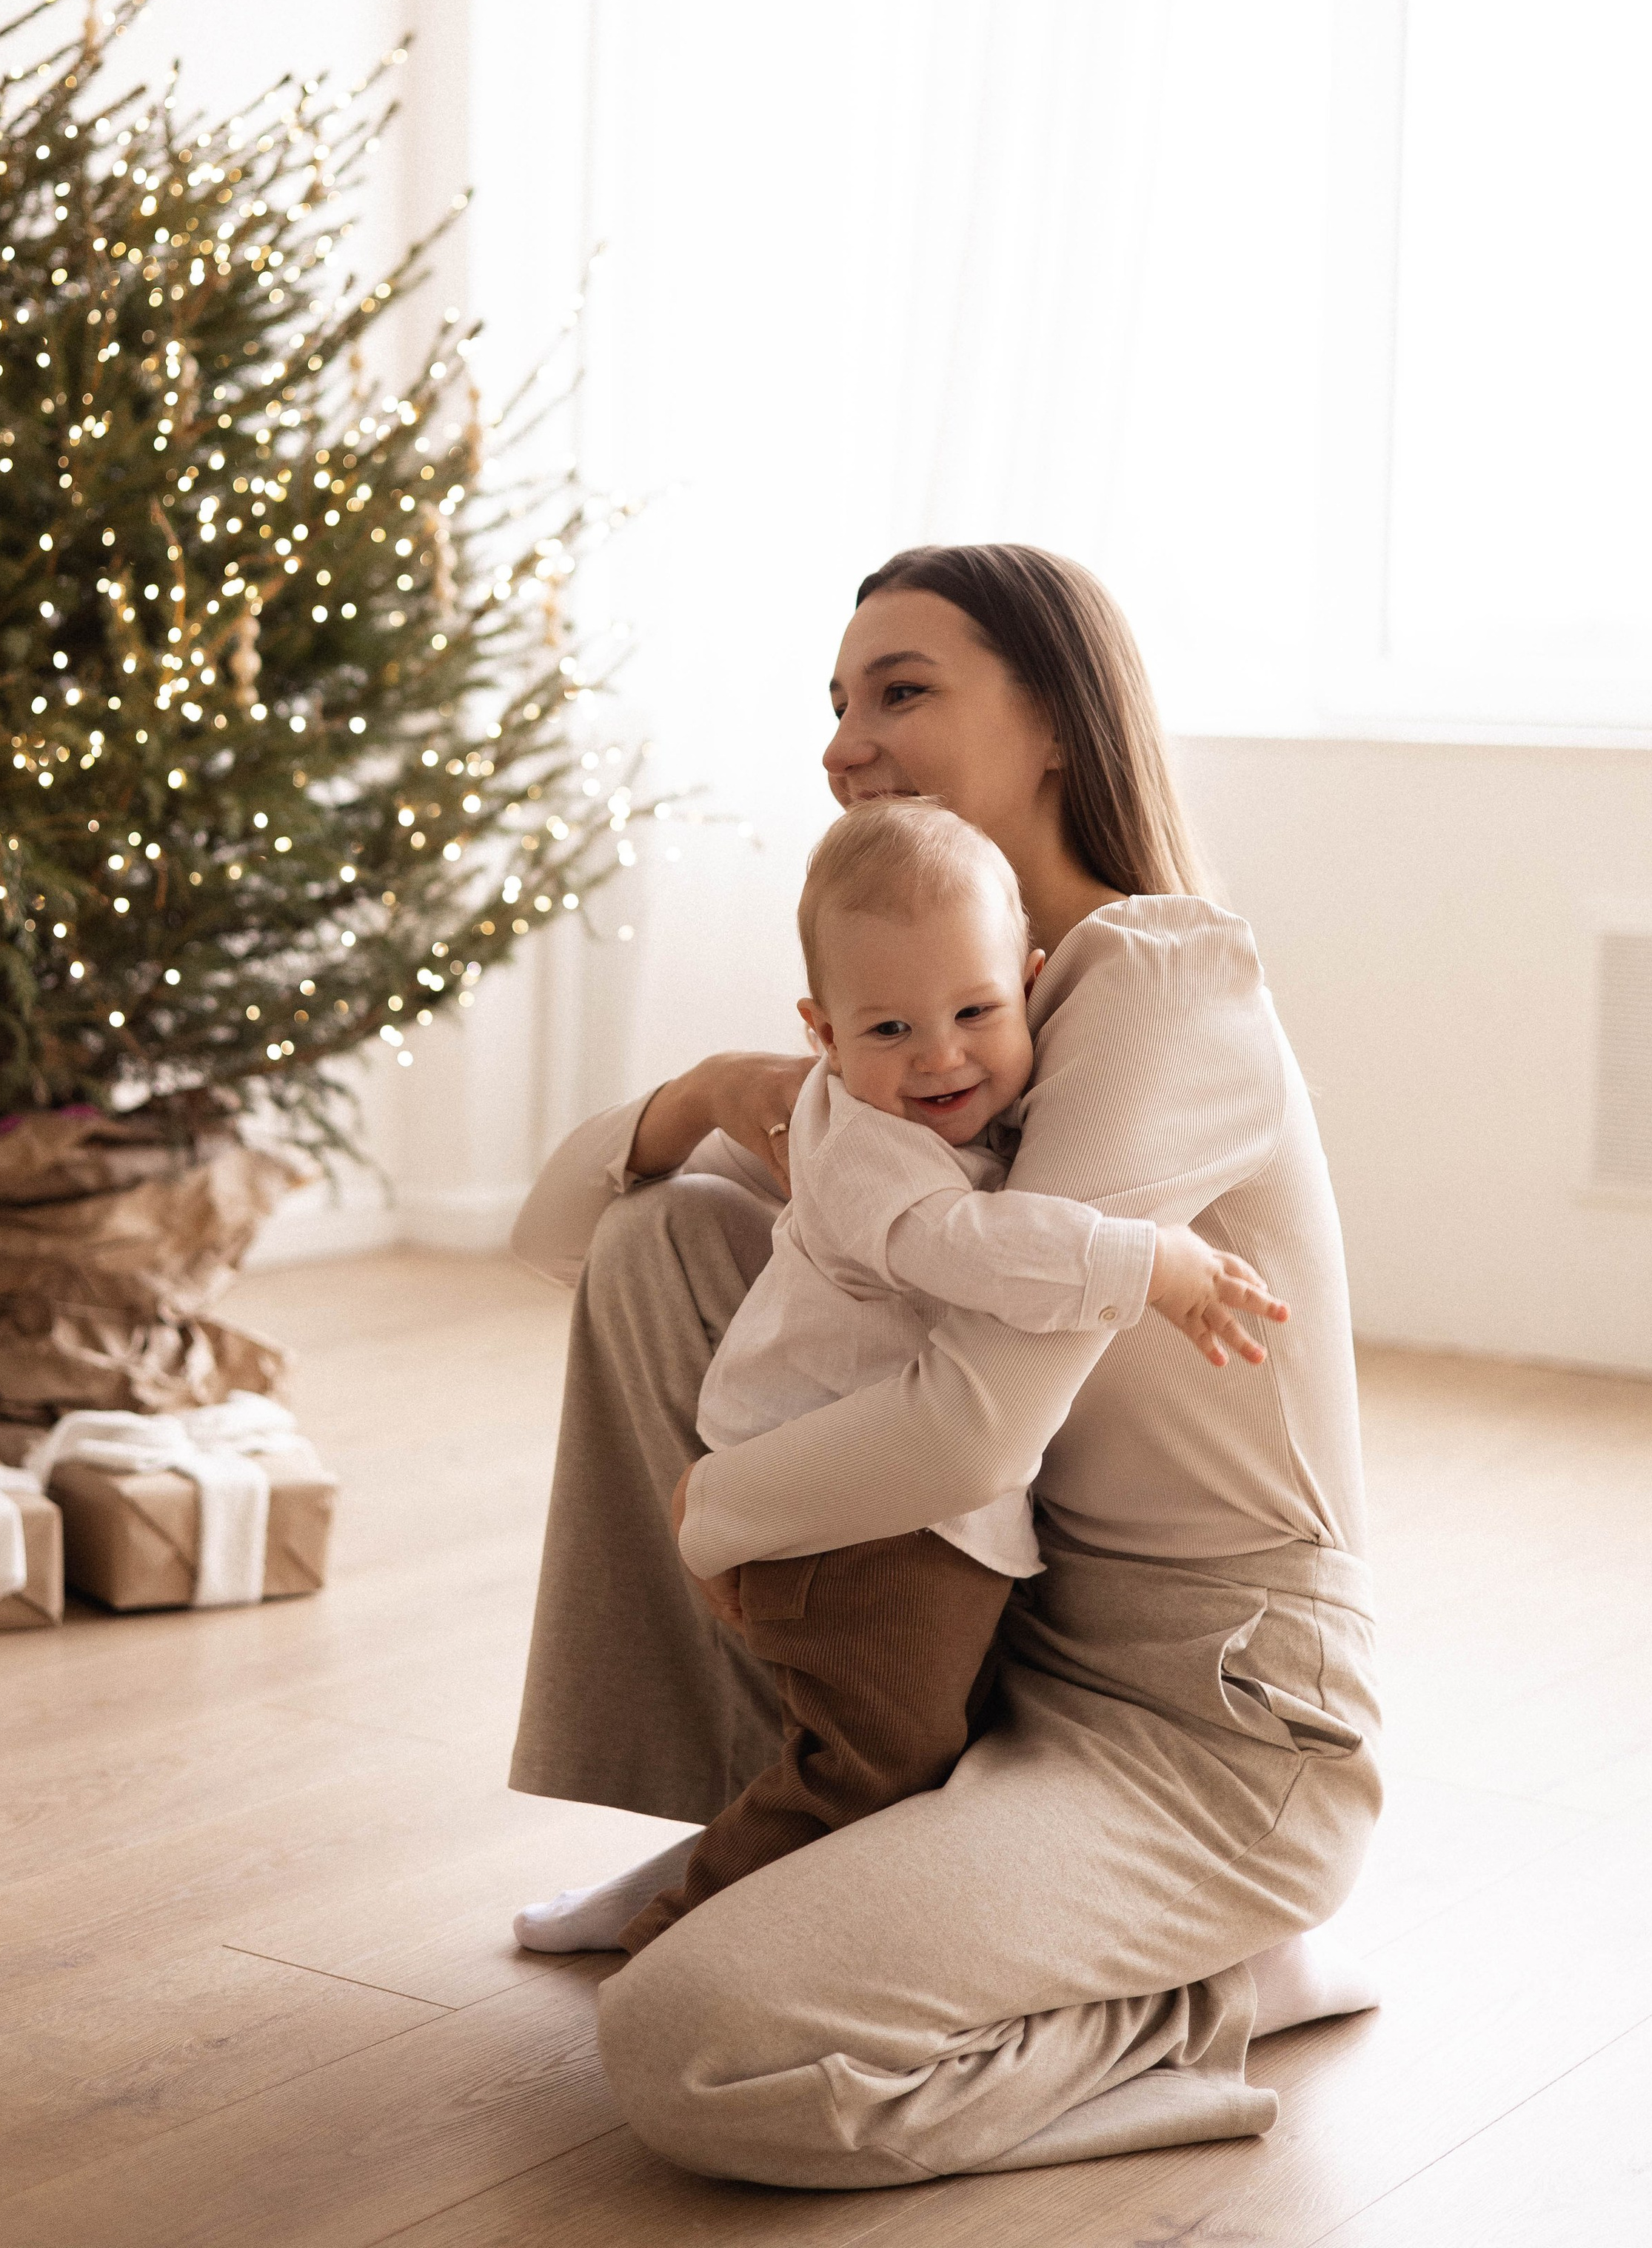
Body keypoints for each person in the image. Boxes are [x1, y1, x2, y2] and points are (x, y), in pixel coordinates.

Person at [509, 543, 1382, 2187]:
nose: (844, 741)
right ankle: (774, 1813)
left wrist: (719, 1510)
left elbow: (977, 1431)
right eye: (834, 704)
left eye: (900, 691)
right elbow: (554, 1237)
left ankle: (1211, 1995)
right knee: (673, 1228)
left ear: (1054, 719)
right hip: (991, 1646)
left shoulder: (1162, 984)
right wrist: (699, 1093)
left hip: (1200, 1715)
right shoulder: (921, 1046)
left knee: (687, 2050)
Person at [617, 796, 1289, 1955]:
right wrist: (1152, 1263)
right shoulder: (871, 1153)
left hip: (897, 1511)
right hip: (847, 1521)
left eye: (976, 1011)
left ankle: (809, 1930)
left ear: (1030, 983)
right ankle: (692, 1934)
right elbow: (968, 1252)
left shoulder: (1000, 1082)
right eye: (887, 1032)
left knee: (926, 1743)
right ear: (821, 1033)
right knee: (877, 1764)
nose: (939, 1056)